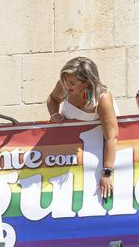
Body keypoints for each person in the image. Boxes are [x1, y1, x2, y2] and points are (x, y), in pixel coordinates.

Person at [46, 57, 119, 198]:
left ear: (86, 83)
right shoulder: (65, 85)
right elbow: (53, 99)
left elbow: (111, 137)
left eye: (72, 83)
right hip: (70, 153)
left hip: (98, 154)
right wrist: (54, 113)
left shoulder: (100, 99)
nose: (67, 85)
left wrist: (107, 172)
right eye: (65, 80)